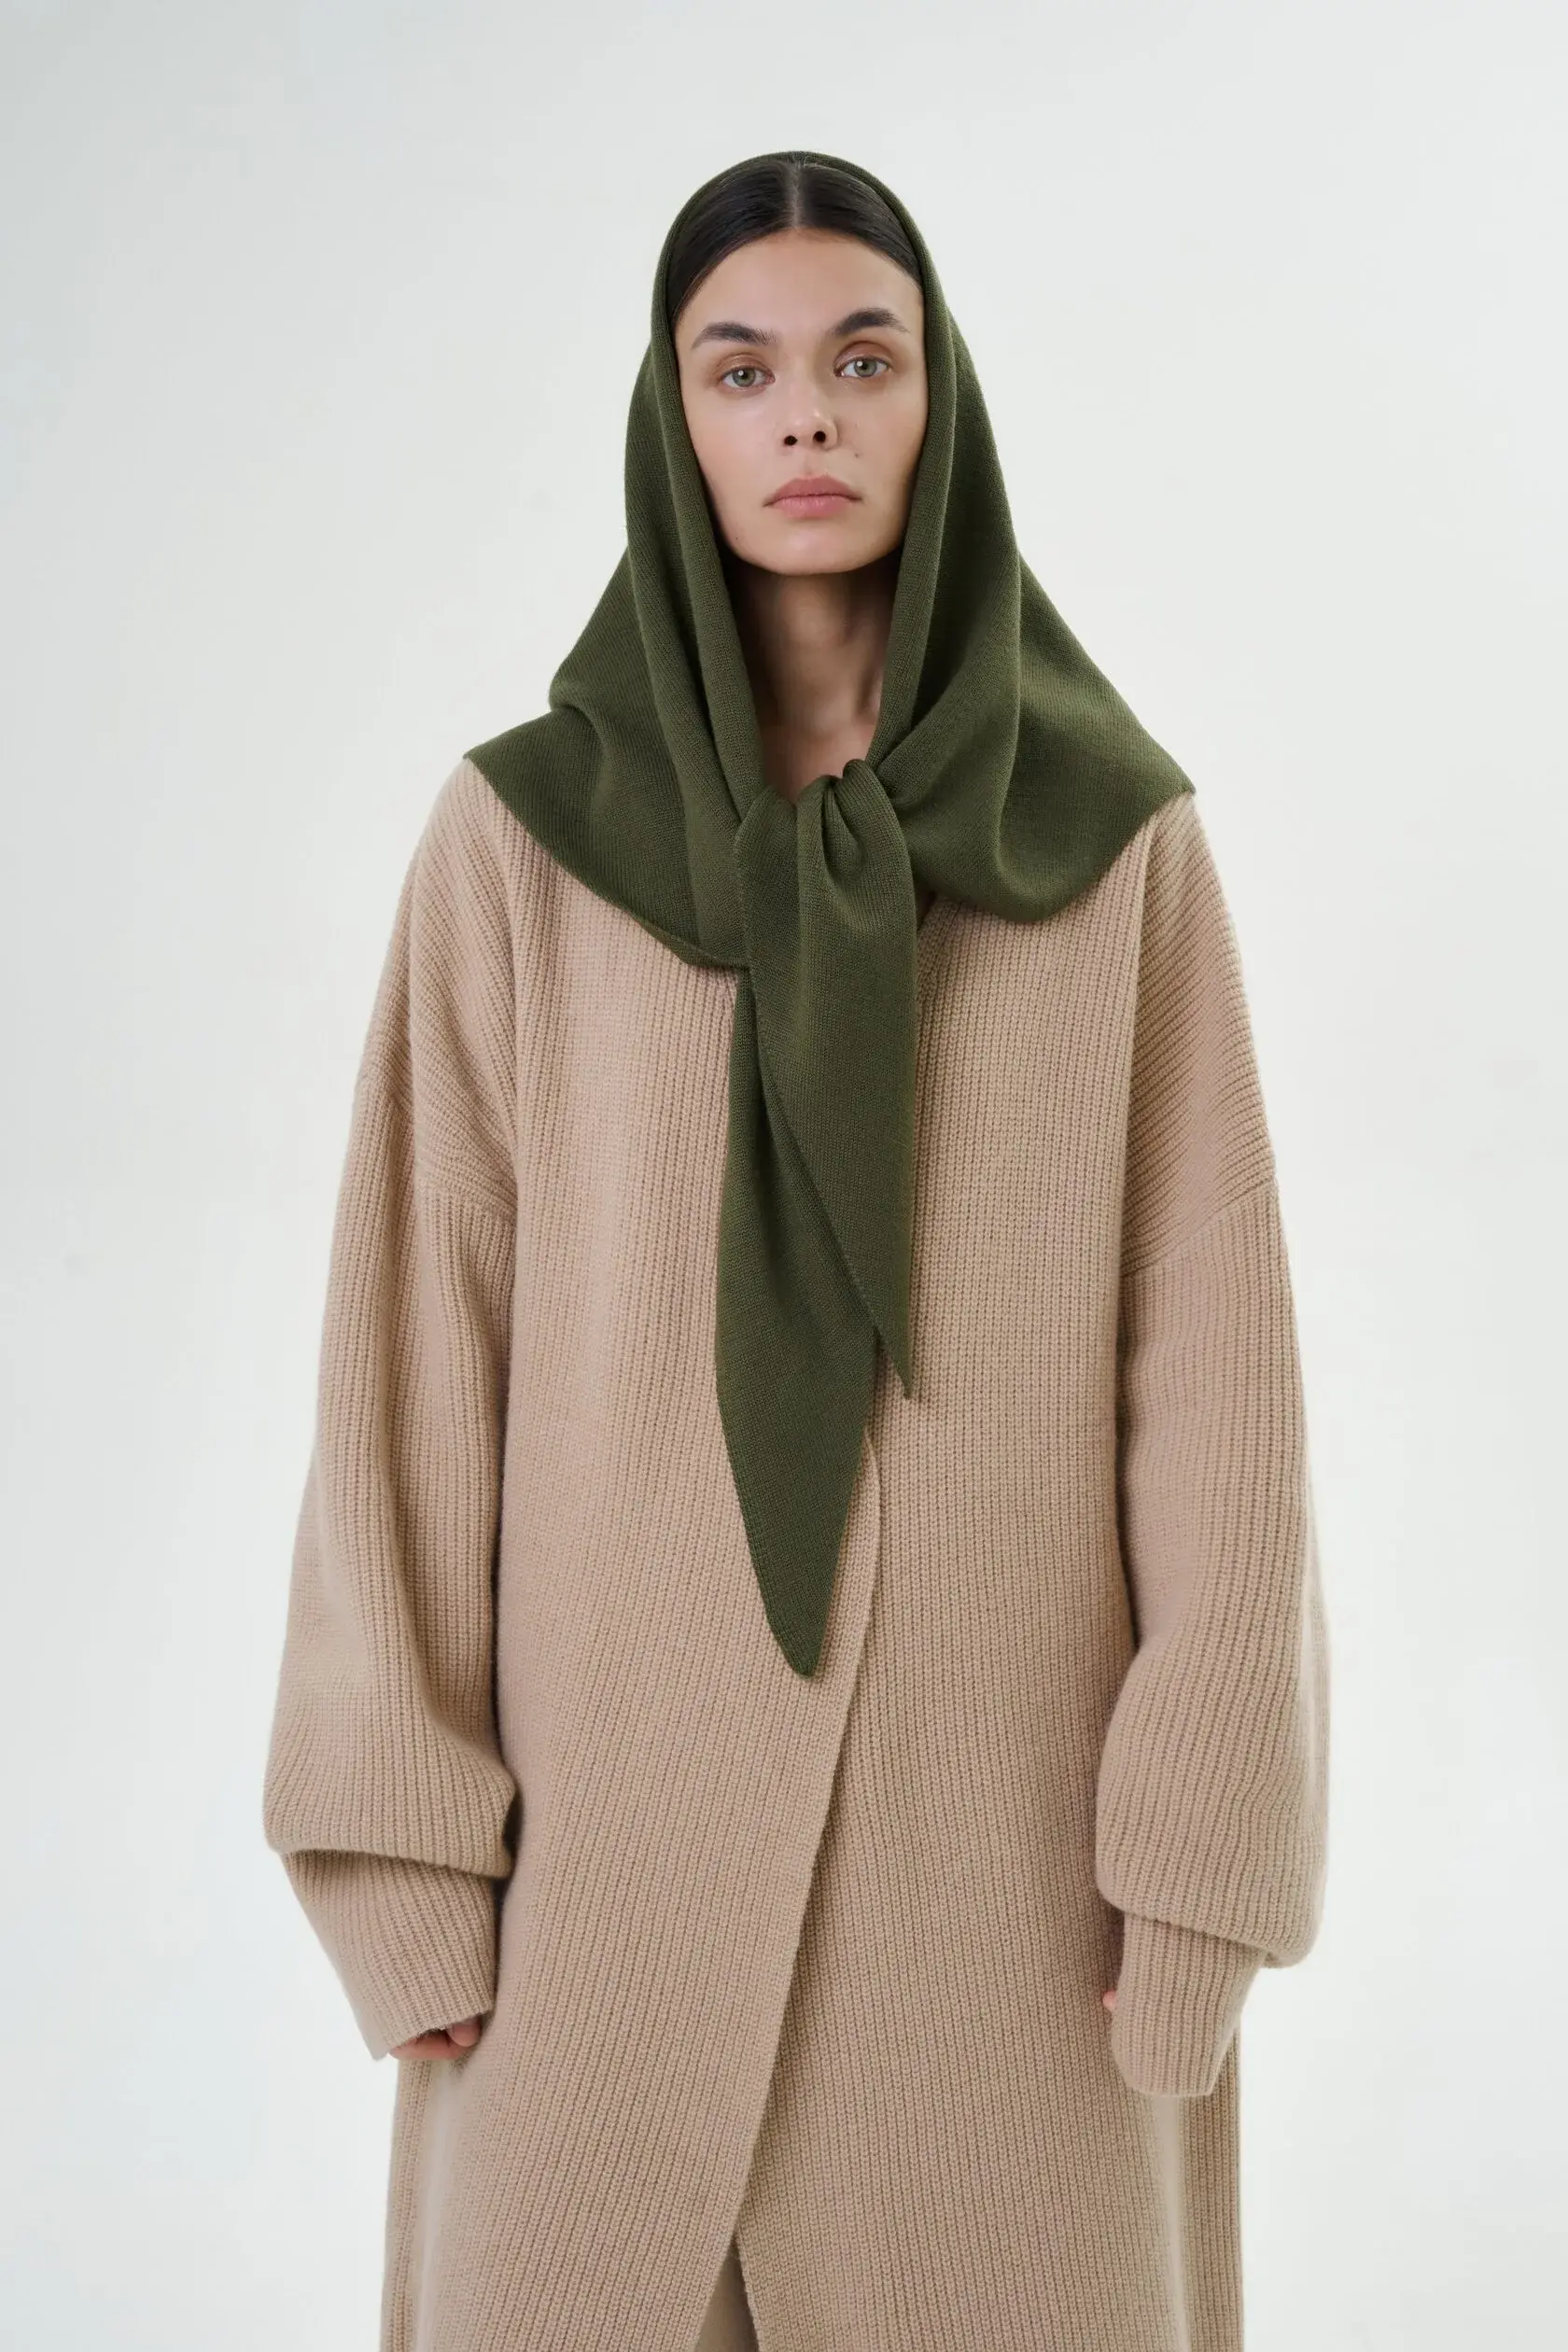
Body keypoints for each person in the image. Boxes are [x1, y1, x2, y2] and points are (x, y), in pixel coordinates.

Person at [261, 148, 1329, 2352]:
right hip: (595, 1885)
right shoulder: (520, 848)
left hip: (1008, 1890)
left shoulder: (1111, 849)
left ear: (943, 404)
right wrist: (401, 1855)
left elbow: (1217, 1378)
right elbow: (414, 1358)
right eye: (739, 370)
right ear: (674, 419)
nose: (808, 416)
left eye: (864, 359)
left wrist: (1200, 1857)